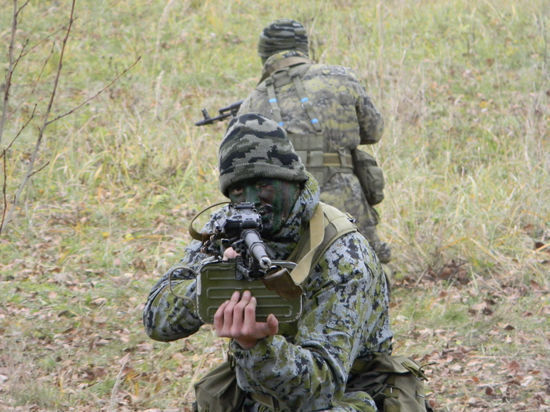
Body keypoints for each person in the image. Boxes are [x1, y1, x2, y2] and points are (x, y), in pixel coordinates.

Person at [143, 114, 429, 411]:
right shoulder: (227, 225)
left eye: (263, 186)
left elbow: (321, 387)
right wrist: (212, 283)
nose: (252, 201)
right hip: (261, 385)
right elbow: (155, 320)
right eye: (239, 190)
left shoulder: (343, 254)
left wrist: (257, 345)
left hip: (345, 392)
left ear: (292, 181)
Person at [237, 19, 391, 264]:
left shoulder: (252, 102)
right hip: (345, 199)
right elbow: (373, 131)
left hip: (283, 208)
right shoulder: (341, 78)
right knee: (367, 266)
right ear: (303, 48)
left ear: (264, 54)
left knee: (288, 273)